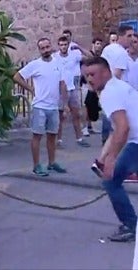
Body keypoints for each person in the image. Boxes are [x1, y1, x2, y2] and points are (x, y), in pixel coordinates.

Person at [84, 56, 137, 242]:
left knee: (111, 181)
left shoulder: (109, 93)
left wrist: (112, 159)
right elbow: (116, 131)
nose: (89, 79)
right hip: (134, 141)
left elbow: (123, 128)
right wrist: (102, 157)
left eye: (93, 74)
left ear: (106, 72)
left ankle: (131, 226)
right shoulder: (116, 87)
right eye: (86, 75)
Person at [13, 37, 67, 177]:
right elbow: (17, 77)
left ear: (51, 46)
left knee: (52, 135)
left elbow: (62, 83)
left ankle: (52, 162)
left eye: (47, 47)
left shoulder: (57, 63)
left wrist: (63, 103)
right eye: (42, 48)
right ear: (39, 50)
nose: (45, 50)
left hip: (54, 106)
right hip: (40, 106)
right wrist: (30, 89)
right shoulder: (35, 65)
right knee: (37, 136)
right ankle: (36, 165)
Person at [92, 24, 134, 174]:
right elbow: (116, 75)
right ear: (121, 36)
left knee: (115, 131)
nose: (131, 39)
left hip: (109, 95)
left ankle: (102, 161)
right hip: (121, 98)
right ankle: (115, 165)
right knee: (124, 132)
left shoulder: (107, 49)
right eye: (129, 36)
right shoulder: (121, 53)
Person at [54, 36, 91, 148]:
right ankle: (58, 140)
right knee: (61, 117)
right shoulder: (55, 57)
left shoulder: (74, 55)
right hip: (61, 90)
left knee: (76, 115)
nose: (63, 47)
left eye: (65, 44)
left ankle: (79, 138)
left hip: (73, 88)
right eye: (61, 45)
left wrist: (79, 47)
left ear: (68, 45)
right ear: (59, 46)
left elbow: (90, 57)